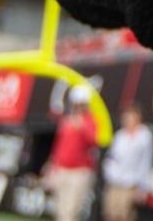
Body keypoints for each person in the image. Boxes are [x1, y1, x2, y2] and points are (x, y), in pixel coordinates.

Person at [45, 87, 98, 221]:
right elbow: (59, 145)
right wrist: (53, 163)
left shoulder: (90, 121)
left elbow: (94, 141)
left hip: (79, 172)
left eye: (81, 104)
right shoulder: (67, 120)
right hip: (62, 169)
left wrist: (82, 127)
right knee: (59, 209)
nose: (78, 107)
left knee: (71, 210)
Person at [100, 106, 153, 221]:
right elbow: (112, 157)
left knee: (124, 215)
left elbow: (146, 162)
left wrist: (143, 187)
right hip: (115, 182)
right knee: (110, 213)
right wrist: (109, 172)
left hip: (130, 184)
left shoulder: (144, 137)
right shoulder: (120, 136)